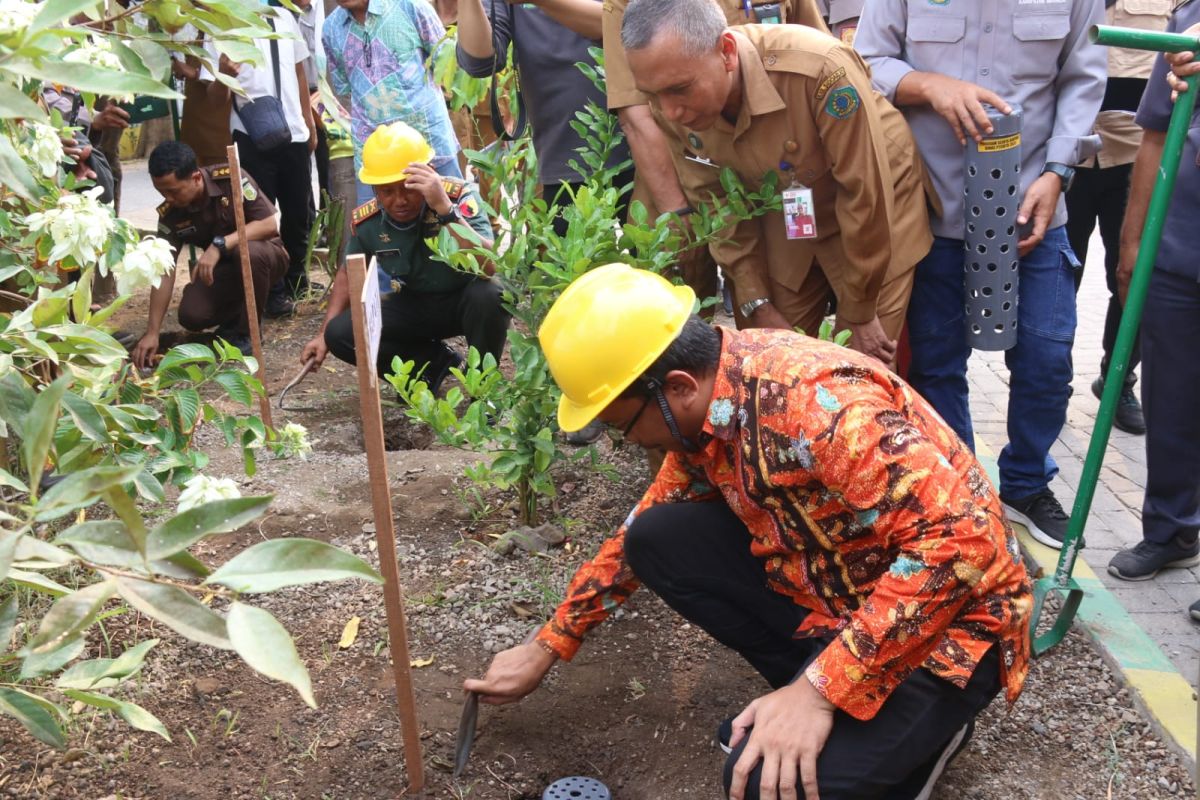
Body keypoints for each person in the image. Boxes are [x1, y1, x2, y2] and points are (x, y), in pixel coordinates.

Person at [465, 263, 1032, 800]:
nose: (629, 442)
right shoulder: (712, 402)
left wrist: (818, 692)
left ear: (678, 385)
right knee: (658, 538)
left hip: (952, 624)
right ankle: (826, 699)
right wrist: (550, 642)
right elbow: (642, 522)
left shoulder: (817, 406)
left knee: (763, 785)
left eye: (621, 426)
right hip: (845, 592)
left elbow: (963, 543)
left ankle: (920, 733)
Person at [855, 0, 1106, 550]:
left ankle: (1025, 483)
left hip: (1031, 205)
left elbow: (1084, 75)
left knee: (1046, 357)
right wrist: (929, 85)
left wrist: (1059, 173)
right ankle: (962, 490)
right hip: (933, 207)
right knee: (938, 364)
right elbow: (866, 58)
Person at [619, 0, 936, 369]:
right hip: (789, 206)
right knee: (768, 359)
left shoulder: (821, 70)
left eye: (680, 90)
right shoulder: (669, 96)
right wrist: (757, 301)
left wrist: (862, 311)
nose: (670, 111)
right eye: (653, 95)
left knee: (861, 367)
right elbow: (717, 204)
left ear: (726, 53)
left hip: (878, 207)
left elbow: (864, 193)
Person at [600, 0, 827, 307]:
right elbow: (639, 115)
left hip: (771, 186)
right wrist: (680, 215)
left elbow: (815, 59)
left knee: (766, 316)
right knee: (681, 322)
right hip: (675, 181)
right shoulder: (627, 6)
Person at [299, 123, 509, 388]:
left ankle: (483, 386)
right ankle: (432, 365)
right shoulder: (369, 222)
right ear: (375, 189)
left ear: (427, 174)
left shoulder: (457, 197)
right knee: (339, 333)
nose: (399, 200)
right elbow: (348, 272)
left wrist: (444, 209)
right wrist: (322, 337)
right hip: (415, 305)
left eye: (408, 187)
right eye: (387, 191)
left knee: (490, 293)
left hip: (466, 301)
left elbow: (488, 266)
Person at [1105, 8, 1200, 585]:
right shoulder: (1190, 18)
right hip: (1180, 250)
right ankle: (1172, 529)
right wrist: (1134, 240)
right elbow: (1156, 136)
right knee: (1171, 405)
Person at [1066, 0, 1172, 437]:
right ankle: (1045, 383)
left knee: (1134, 276)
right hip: (1067, 153)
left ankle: (1118, 377)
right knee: (1054, 276)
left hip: (1134, 155)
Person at [454, 0, 634, 235]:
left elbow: (628, 25)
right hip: (563, 160)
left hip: (641, 148)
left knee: (662, 261)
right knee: (579, 269)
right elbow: (480, 61)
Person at [203, 7, 319, 318]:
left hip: (293, 132)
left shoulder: (283, 17)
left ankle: (298, 282)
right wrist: (224, 73)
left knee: (298, 214)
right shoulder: (218, 25)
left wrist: (309, 123)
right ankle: (274, 293)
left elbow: (299, 73)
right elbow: (214, 99)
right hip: (251, 138)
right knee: (262, 218)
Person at [132, 142, 289, 369]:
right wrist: (152, 332)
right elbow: (164, 269)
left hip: (266, 257)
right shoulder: (170, 213)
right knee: (192, 315)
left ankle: (247, 334)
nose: (169, 198)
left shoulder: (230, 179)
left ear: (196, 178)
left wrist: (219, 245)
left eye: (173, 191)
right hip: (222, 272)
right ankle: (235, 318)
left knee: (249, 253)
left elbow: (270, 223)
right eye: (161, 192)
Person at [323, 0, 463, 205]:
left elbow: (446, 64)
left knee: (452, 217)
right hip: (373, 155)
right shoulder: (330, 29)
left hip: (429, 144)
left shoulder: (411, 6)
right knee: (376, 230)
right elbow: (344, 87)